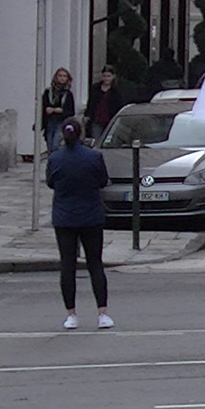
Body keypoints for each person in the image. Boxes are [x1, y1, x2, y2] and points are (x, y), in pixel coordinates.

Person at [45, 119, 112, 329]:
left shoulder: (55, 159)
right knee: (95, 264)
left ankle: (71, 315)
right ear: (81, 134)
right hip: (91, 216)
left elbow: (50, 182)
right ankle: (102, 313)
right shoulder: (94, 157)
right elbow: (102, 180)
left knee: (67, 265)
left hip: (64, 217)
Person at [84, 67, 129, 142]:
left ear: (113, 77)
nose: (106, 78)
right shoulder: (95, 88)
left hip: (110, 119)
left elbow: (119, 105)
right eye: (104, 76)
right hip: (97, 119)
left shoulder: (116, 90)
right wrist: (87, 115)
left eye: (108, 76)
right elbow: (91, 103)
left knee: (110, 140)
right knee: (96, 140)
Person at [40, 68, 76, 154]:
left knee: (55, 145)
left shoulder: (68, 94)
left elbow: (71, 111)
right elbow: (42, 107)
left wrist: (60, 110)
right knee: (49, 144)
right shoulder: (48, 92)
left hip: (61, 122)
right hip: (49, 121)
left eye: (64, 76)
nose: (62, 78)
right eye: (60, 76)